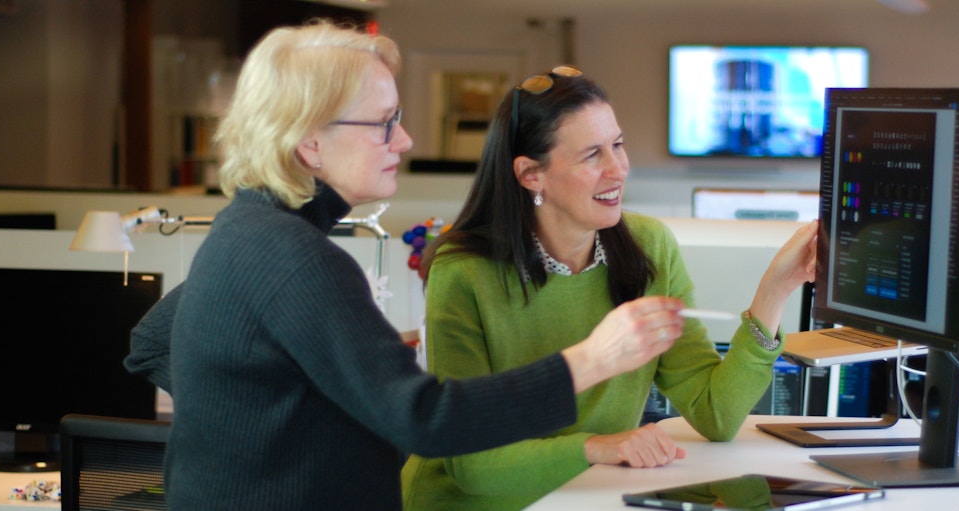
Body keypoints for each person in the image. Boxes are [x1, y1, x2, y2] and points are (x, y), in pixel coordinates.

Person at [123, 23, 688, 511]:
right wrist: (593, 359)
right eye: (384, 122)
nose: (406, 139)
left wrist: (324, 384)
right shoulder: (299, 259)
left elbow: (155, 341)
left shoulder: (244, 228)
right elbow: (428, 419)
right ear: (310, 143)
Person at [400, 66, 818, 510]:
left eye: (617, 145)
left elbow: (716, 414)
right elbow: (472, 466)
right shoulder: (463, 270)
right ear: (530, 174)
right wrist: (597, 447)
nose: (618, 169)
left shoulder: (648, 246)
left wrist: (775, 290)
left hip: (587, 498)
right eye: (592, 155)